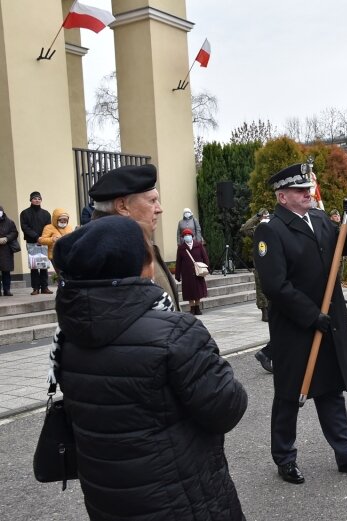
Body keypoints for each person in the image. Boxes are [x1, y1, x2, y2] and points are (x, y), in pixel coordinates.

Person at [51, 215, 247, 521]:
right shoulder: (176, 333)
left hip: (108, 497)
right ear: (140, 264)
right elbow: (227, 407)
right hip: (180, 497)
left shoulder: (67, 337)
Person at [254, 163, 347, 485]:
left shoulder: (321, 219)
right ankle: (284, 458)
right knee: (288, 395)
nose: (307, 193)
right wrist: (311, 315)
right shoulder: (271, 230)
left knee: (331, 389)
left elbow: (346, 248)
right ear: (282, 197)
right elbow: (275, 285)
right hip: (297, 326)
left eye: (307, 189)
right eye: (299, 190)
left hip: (329, 323)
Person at [89, 163, 180, 310]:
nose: (159, 209)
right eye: (152, 201)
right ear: (122, 207)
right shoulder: (108, 257)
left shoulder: (135, 246)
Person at [240, 208, 273, 373]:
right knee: (261, 290)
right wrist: (257, 217)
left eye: (267, 216)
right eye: (264, 216)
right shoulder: (257, 230)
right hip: (260, 265)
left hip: (273, 266)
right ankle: (264, 310)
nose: (266, 218)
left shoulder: (273, 227)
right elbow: (244, 229)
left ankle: (271, 353)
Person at [19, 191, 52, 295]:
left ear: (41, 200)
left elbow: (48, 227)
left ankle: (45, 287)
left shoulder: (46, 213)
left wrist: (43, 238)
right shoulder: (25, 213)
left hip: (44, 241)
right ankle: (35, 288)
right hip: (31, 242)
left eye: (39, 198)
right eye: (35, 198)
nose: (37, 200)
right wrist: (36, 237)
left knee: (43, 264)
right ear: (31, 200)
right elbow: (25, 227)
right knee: (34, 265)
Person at [175, 228, 210, 315]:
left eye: (189, 235)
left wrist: (207, 268)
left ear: (192, 236)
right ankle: (192, 308)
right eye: (185, 235)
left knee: (198, 291)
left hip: (198, 272)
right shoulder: (181, 248)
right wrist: (177, 275)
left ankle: (197, 307)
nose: (187, 237)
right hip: (186, 273)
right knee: (189, 291)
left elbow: (205, 257)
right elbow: (178, 262)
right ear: (183, 237)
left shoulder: (198, 245)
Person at [0, 205, 19, 296]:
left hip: (6, 250)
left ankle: (7, 290)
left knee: (6, 271)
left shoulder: (9, 222)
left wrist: (6, 238)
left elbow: (15, 233)